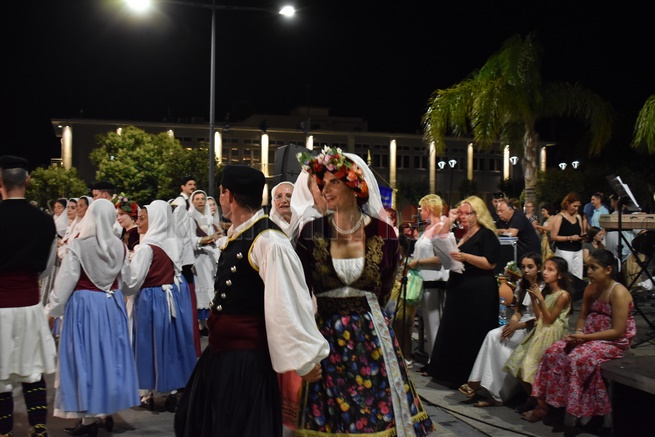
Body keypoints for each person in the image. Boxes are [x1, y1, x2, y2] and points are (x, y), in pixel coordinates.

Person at [174, 165, 329, 437]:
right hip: (221, 356)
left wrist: (304, 360)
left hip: (247, 362)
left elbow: (286, 303)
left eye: (221, 192)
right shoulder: (240, 234)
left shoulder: (268, 240)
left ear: (228, 196)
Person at [294, 147, 434, 436]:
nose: (325, 189)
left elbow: (386, 286)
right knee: (331, 413)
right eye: (323, 183)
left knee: (375, 409)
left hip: (371, 336)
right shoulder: (310, 232)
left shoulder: (384, 233)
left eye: (334, 182)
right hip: (327, 335)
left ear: (354, 186)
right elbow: (300, 288)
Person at [45, 199, 140, 436]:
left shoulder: (78, 245)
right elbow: (127, 283)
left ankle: (88, 419)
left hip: (84, 306)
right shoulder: (120, 247)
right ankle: (105, 411)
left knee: (85, 359)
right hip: (111, 305)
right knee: (108, 358)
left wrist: (53, 310)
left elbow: (66, 281)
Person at [526, 249, 636, 425]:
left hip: (612, 341)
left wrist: (586, 338)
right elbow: (583, 316)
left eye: (593, 268)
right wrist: (578, 332)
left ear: (608, 270)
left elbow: (618, 331)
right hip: (588, 336)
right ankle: (552, 404)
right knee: (553, 352)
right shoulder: (591, 288)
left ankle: (578, 409)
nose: (589, 272)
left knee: (577, 358)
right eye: (588, 267)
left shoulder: (618, 292)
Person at [0, 155, 58, 437]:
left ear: (0, 183)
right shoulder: (46, 222)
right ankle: (39, 428)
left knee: (1, 374)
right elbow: (47, 267)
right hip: (29, 303)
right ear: (28, 180)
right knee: (33, 371)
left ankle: (4, 431)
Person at [122, 200, 197, 413]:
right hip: (169, 298)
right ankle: (171, 390)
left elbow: (133, 282)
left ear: (155, 220)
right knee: (169, 344)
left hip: (150, 300)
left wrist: (122, 277)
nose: (138, 222)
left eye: (142, 219)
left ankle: (149, 392)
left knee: (149, 345)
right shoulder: (171, 243)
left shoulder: (146, 248)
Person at [424, 196, 500, 389]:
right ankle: (452, 373)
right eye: (461, 213)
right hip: (460, 288)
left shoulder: (486, 234)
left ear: (478, 214)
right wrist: (449, 219)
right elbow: (441, 238)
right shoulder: (463, 235)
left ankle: (471, 376)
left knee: (472, 332)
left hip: (478, 290)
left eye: (468, 213)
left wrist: (465, 256)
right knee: (457, 331)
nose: (463, 217)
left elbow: (490, 263)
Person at [459, 252, 542, 407]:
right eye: (523, 267)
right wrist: (512, 323)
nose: (526, 270)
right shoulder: (522, 285)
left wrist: (518, 326)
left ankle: (497, 393)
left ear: (539, 268)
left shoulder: (542, 287)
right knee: (493, 335)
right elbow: (519, 311)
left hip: (534, 327)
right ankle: (480, 383)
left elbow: (540, 318)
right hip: (520, 322)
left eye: (530, 267)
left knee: (504, 342)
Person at [503, 256, 573, 416]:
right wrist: (535, 299)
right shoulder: (547, 291)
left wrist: (540, 298)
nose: (545, 273)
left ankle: (542, 407)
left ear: (560, 275)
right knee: (516, 363)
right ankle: (534, 400)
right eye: (545, 269)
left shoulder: (563, 295)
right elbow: (539, 316)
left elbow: (549, 320)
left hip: (551, 333)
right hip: (541, 330)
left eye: (551, 270)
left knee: (529, 367)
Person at [406, 194, 450, 370]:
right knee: (428, 323)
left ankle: (437, 362)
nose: (419, 212)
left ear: (429, 209)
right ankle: (432, 359)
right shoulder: (428, 229)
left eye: (421, 208)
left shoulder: (439, 228)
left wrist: (417, 262)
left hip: (434, 281)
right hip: (423, 280)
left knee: (434, 322)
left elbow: (441, 258)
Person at [188, 190, 221, 336]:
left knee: (212, 289)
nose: (200, 201)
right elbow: (191, 240)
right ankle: (204, 324)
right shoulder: (190, 218)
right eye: (197, 199)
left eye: (202, 199)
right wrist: (209, 238)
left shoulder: (209, 217)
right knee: (203, 290)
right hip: (199, 258)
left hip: (212, 258)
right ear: (192, 201)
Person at [550, 192, 584, 279]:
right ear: (567, 203)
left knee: (578, 276)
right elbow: (553, 236)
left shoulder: (578, 217)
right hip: (564, 250)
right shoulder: (559, 217)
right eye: (574, 206)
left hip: (578, 250)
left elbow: (581, 232)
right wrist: (570, 238)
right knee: (565, 275)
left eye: (578, 206)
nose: (576, 209)